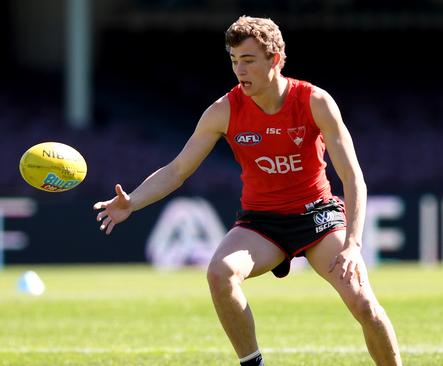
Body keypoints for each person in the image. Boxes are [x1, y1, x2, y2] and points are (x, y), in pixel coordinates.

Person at [93, 15, 402, 366]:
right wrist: (133, 202)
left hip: (318, 217)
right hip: (262, 224)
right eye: (234, 61)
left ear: (275, 59)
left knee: (364, 304)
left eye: (249, 60)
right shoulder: (223, 110)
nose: (240, 70)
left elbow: (353, 178)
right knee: (219, 273)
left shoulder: (315, 101)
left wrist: (352, 245)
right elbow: (177, 171)